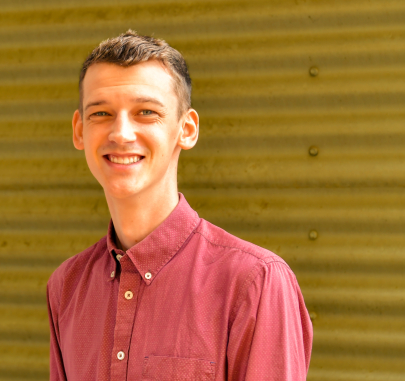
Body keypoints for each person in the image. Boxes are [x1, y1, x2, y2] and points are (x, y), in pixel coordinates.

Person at [46, 30, 312, 381]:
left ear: (186, 129)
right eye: (101, 114)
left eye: (146, 112)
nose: (121, 133)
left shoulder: (255, 283)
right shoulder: (67, 286)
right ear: (79, 131)